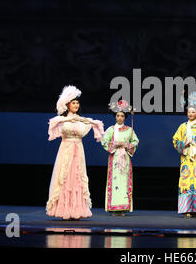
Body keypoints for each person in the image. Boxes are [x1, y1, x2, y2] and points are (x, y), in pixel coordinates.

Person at [46, 85, 104, 220]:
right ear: (67, 104)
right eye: (73, 103)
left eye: (77, 102)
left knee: (77, 177)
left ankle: (77, 209)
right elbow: (53, 123)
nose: (76, 105)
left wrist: (80, 120)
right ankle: (64, 209)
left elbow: (90, 126)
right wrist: (68, 119)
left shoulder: (81, 121)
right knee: (64, 176)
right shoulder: (62, 120)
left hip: (78, 150)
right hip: (65, 150)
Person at [172, 92, 196, 218]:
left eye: (193, 112)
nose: (190, 114)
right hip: (186, 159)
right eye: (189, 112)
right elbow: (175, 140)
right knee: (185, 182)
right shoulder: (182, 127)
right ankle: (185, 209)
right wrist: (184, 143)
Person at [101, 100, 139, 216]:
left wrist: (126, 145)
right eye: (118, 115)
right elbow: (104, 141)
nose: (120, 118)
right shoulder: (111, 129)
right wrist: (114, 146)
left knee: (124, 181)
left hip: (125, 159)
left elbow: (135, 141)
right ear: (115, 116)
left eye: (122, 116)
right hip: (114, 157)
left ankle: (123, 208)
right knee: (114, 181)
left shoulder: (129, 130)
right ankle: (113, 207)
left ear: (125, 117)